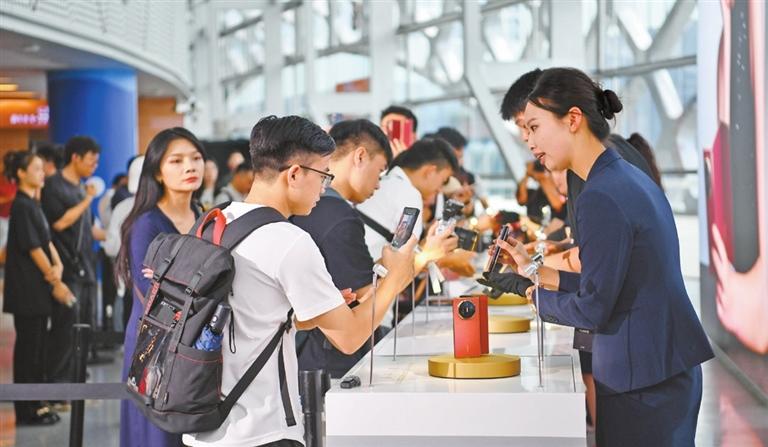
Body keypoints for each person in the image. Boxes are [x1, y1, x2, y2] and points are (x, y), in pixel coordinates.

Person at [497, 67, 713, 446]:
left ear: (573, 119)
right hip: (662, 368)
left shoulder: (599, 194)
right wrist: (538, 273)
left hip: (642, 382)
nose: (528, 141)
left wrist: (534, 297)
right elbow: (619, 280)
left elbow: (594, 307)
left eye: (533, 127)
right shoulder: (623, 175)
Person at [183, 115, 416, 447]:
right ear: (294, 174)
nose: (324, 189)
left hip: (203, 427)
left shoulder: (214, 222)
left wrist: (314, 309)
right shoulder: (288, 241)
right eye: (323, 176)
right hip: (260, 432)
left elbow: (249, 317)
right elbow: (349, 338)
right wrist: (396, 279)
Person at [291, 119, 456, 377]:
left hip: (305, 355)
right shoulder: (339, 216)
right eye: (379, 172)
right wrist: (419, 259)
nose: (379, 185)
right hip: (328, 364)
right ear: (360, 157)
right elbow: (366, 298)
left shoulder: (314, 209)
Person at [116, 128, 205, 447]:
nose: (189, 167)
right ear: (157, 171)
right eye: (176, 161)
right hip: (154, 345)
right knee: (157, 436)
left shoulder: (205, 217)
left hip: (197, 345)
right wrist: (202, 287)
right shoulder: (145, 224)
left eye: (196, 158)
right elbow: (153, 292)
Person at [2, 151, 74, 426]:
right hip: (27, 291)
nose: (42, 173)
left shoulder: (34, 203)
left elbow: (46, 241)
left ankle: (38, 403)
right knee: (28, 352)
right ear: (21, 173)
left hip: (38, 289)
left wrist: (58, 265)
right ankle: (27, 409)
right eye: (35, 168)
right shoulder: (21, 205)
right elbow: (33, 248)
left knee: (38, 349)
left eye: (42, 168)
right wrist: (55, 280)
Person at [40, 135, 101, 383]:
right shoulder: (54, 186)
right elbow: (59, 223)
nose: (94, 167)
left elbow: (89, 229)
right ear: (75, 158)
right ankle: (58, 384)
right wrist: (88, 199)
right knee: (65, 328)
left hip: (87, 268)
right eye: (91, 161)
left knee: (84, 327)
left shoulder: (80, 188)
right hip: (67, 271)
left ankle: (77, 383)